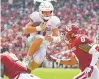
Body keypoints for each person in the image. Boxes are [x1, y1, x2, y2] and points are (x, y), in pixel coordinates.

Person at [23, 1, 60, 71]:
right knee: (40, 38)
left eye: (49, 11)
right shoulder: (35, 16)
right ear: (40, 11)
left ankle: (26, 71)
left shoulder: (54, 20)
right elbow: (25, 30)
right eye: (45, 11)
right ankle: (27, 59)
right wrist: (38, 28)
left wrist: (53, 38)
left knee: (39, 59)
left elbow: (58, 37)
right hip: (32, 39)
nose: (47, 13)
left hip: (44, 43)